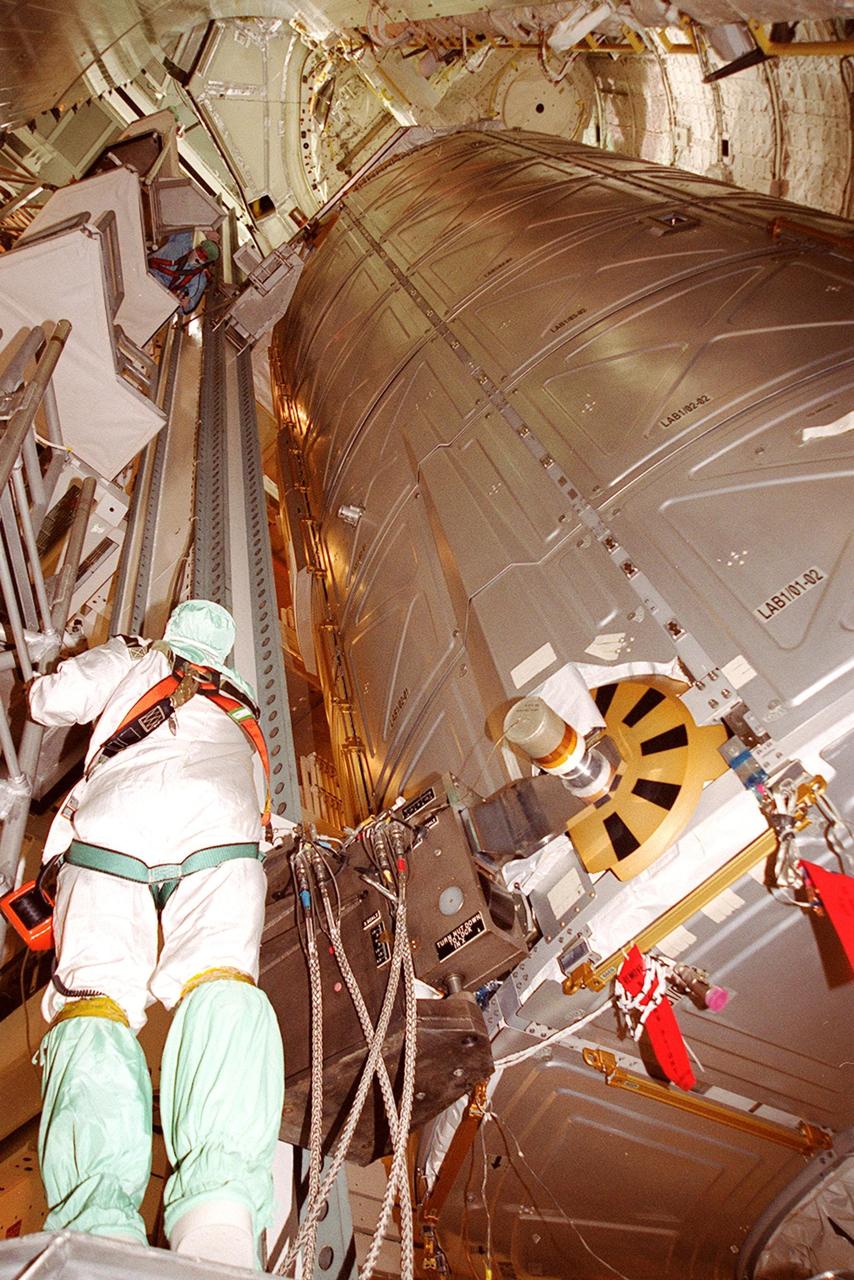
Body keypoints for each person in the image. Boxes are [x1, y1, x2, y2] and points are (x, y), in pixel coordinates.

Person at [28, 600, 285, 1269]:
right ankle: (220, 1223)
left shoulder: (138, 656)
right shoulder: (243, 706)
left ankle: (98, 1227)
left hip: (115, 836)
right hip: (224, 843)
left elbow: (52, 701)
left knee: (96, 1004)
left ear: (171, 633)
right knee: (221, 984)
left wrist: (45, 681)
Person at [148, 230, 220, 316]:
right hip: (143, 267)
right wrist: (205, 230)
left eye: (203, 257)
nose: (198, 255)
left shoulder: (198, 279)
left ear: (206, 262)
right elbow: (181, 224)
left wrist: (186, 304)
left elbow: (188, 306)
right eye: (200, 251)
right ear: (198, 246)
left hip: (157, 290)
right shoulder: (183, 241)